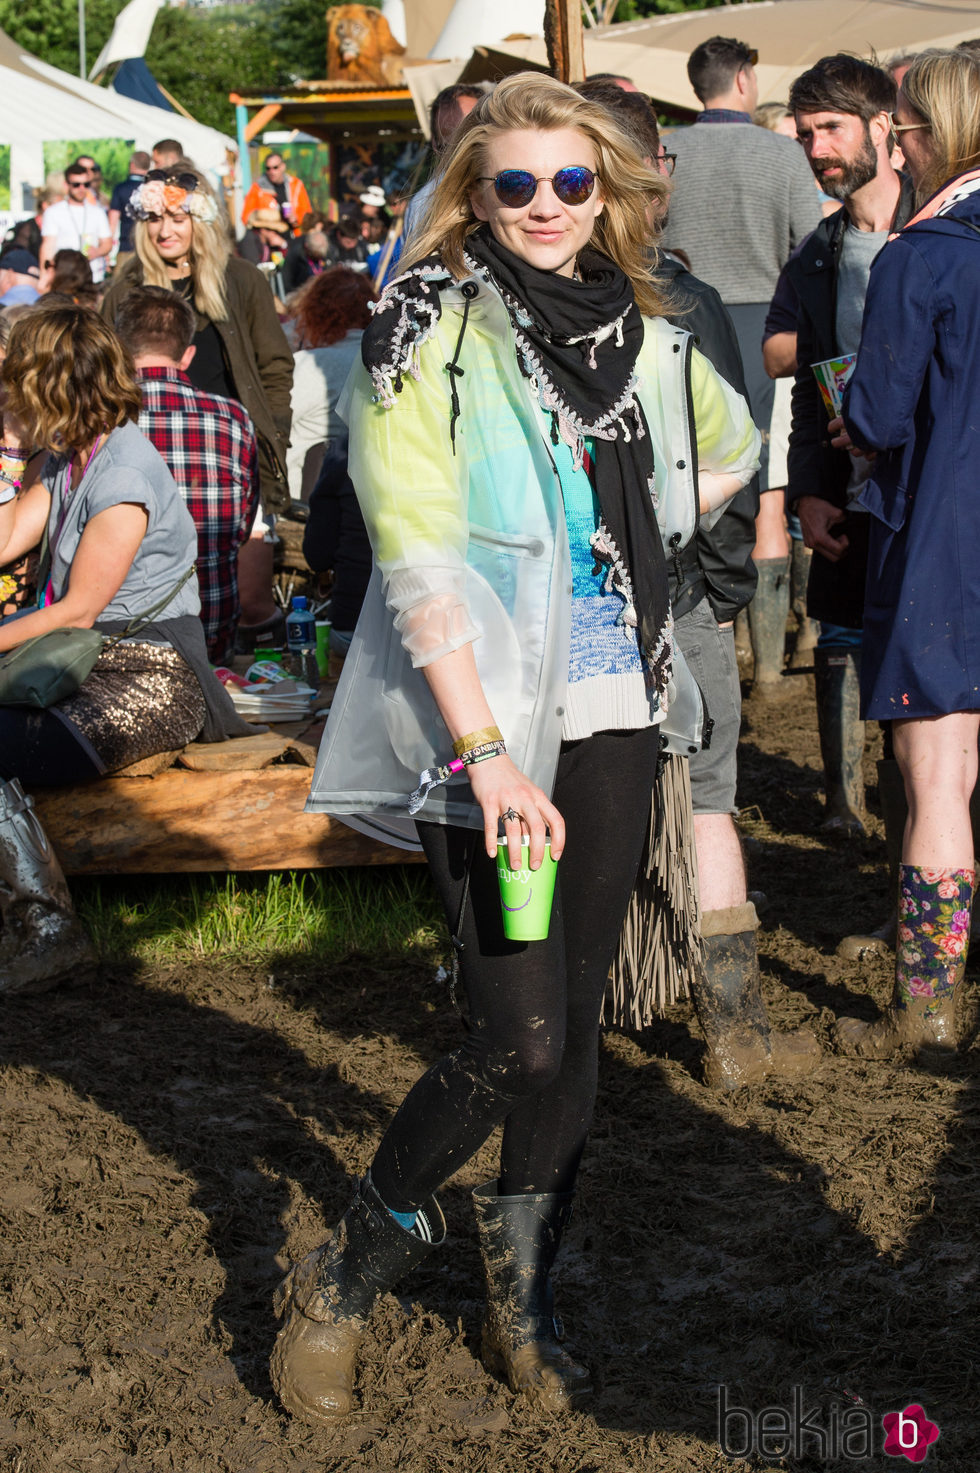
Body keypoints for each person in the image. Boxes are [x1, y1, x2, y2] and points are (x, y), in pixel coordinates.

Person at [273, 72, 759, 1425]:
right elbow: (418, 558)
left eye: (573, 183)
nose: (547, 209)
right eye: (516, 185)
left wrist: (627, 541)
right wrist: (488, 758)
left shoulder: (652, 339)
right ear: (471, 196)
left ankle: (521, 1297)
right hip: (474, 726)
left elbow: (729, 447)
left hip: (612, 712)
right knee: (520, 1036)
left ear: (608, 190)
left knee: (582, 1010)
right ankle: (342, 1277)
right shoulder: (421, 334)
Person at [577, 76, 817, 1089]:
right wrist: (718, 596)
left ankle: (572, 1027)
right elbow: (734, 455)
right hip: (671, 593)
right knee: (707, 802)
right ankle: (733, 1030)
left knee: (576, 807)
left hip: (573, 602)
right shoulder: (682, 302)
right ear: (655, 175)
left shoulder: (504, 303)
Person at [0, 305, 249, 991]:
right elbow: (5, 537)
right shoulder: (68, 457)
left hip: (152, 680)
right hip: (86, 667)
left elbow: (80, 608)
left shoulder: (122, 475)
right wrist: (12, 454)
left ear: (49, 386)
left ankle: (48, 927)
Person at [831, 49, 980, 1060]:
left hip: (949, 541)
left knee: (937, 776)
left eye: (900, 132)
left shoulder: (918, 258)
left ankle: (926, 1009)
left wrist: (845, 416)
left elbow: (875, 412)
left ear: (927, 135)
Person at [661, 36, 822, 696]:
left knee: (690, 468)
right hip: (761, 324)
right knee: (762, 483)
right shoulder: (781, 152)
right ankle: (775, 662)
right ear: (747, 81)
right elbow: (810, 249)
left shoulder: (670, 148)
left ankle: (713, 637)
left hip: (675, 315)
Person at [784, 55, 914, 844]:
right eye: (804, 134)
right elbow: (807, 387)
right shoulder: (818, 253)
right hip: (857, 508)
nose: (816, 148)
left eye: (830, 128)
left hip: (936, 503)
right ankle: (905, 892)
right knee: (889, 709)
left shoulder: (942, 232)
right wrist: (808, 490)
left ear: (882, 126)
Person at [101, 167, 294, 642]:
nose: (165, 230)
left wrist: (272, 440)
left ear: (200, 220)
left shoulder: (240, 278)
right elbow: (105, 368)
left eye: (177, 217)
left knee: (243, 596)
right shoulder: (126, 283)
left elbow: (273, 366)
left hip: (224, 449)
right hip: (143, 446)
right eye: (153, 218)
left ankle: (228, 675)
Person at [114, 285, 261, 663]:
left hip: (121, 639)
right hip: (210, 631)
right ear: (188, 355)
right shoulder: (232, 417)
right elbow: (241, 528)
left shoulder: (101, 419)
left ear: (118, 351)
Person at [286, 265, 374, 503]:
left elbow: (271, 425)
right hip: (364, 500)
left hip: (302, 502)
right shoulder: (383, 363)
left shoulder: (310, 365)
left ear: (317, 312)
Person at [403, 82, 490, 240]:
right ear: (436, 145)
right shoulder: (423, 205)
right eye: (449, 145)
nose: (462, 151)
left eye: (470, 135)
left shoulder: (512, 184)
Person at [40, 162, 112, 285]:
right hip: (64, 276)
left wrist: (97, 252)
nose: (81, 189)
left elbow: (107, 243)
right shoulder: (53, 212)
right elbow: (48, 246)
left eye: (86, 184)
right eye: (76, 185)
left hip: (92, 276)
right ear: (66, 185)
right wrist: (44, 277)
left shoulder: (98, 212)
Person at [240, 153, 312, 238]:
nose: (272, 171)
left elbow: (307, 212)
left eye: (275, 167)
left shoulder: (296, 185)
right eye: (268, 168)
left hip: (293, 237)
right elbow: (245, 217)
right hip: (268, 241)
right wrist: (267, 227)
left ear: (283, 166)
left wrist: (296, 218)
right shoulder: (257, 188)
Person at [108, 151, 150, 261]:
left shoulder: (120, 188)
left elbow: (113, 221)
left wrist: (107, 250)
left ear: (132, 165)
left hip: (126, 247)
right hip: (149, 249)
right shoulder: (152, 189)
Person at [281, 214, 329, 296]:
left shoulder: (328, 250)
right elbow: (287, 280)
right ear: (319, 226)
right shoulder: (296, 249)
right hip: (300, 295)